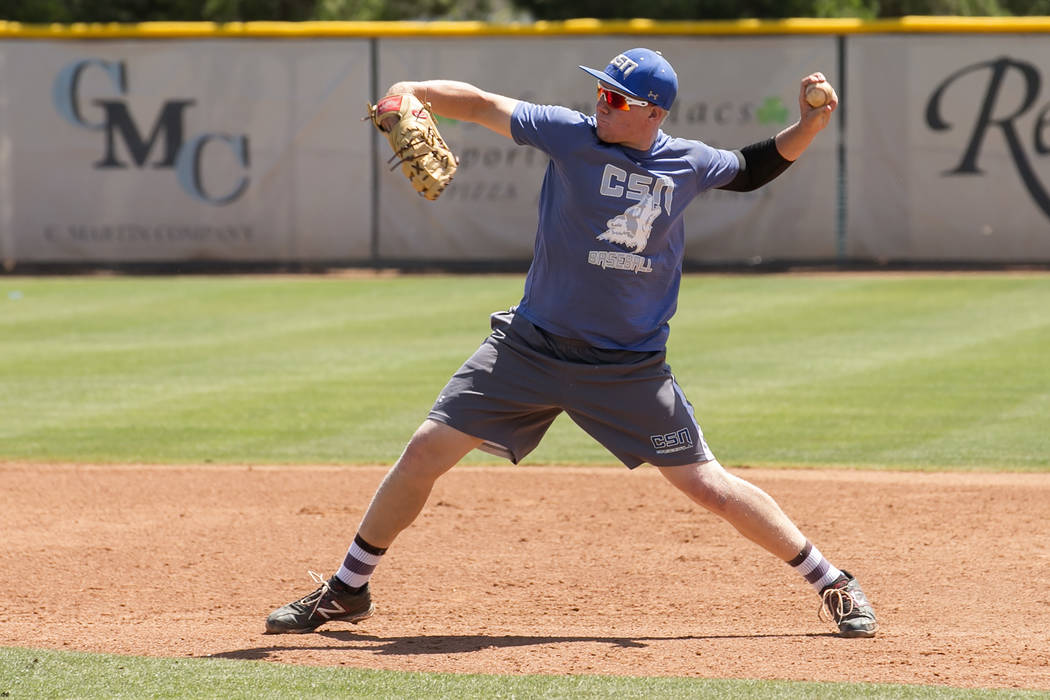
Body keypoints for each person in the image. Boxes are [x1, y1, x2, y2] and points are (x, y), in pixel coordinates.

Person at [265, 47, 877, 638]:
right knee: (427, 448)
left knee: (708, 486)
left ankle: (832, 580)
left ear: (653, 113)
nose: (602, 104)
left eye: (617, 98)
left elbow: (752, 168)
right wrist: (415, 92)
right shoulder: (571, 135)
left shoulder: (686, 163)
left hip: (627, 369)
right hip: (529, 349)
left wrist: (808, 124)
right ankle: (349, 588)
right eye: (601, 91)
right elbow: (480, 104)